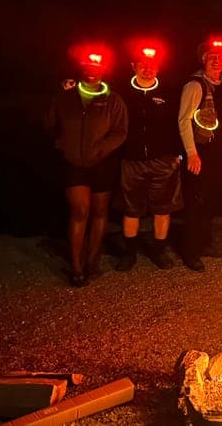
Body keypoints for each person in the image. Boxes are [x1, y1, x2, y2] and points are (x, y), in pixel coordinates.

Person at [46, 48, 127, 286]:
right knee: (80, 211)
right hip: (74, 163)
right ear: (82, 67)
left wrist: (103, 147)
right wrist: (62, 143)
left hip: (102, 163)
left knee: (100, 212)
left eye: (97, 66)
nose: (92, 70)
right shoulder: (65, 96)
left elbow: (121, 131)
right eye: (88, 66)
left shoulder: (113, 99)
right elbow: (50, 123)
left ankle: (93, 261)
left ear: (104, 69)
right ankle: (76, 265)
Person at [117, 45, 182, 271]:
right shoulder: (121, 93)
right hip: (131, 161)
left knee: (162, 209)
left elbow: (178, 124)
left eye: (152, 65)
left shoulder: (168, 93)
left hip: (162, 161)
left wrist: (178, 154)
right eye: (143, 65)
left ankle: (159, 250)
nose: (148, 69)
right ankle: (129, 253)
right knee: (131, 209)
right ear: (134, 67)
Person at [177, 37, 222, 271]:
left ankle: (205, 243)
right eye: (211, 57)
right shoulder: (195, 85)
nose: (216, 60)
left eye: (219, 57)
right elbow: (183, 121)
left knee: (210, 201)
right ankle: (191, 252)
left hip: (220, 154)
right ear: (203, 59)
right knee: (197, 203)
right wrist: (191, 153)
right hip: (202, 153)